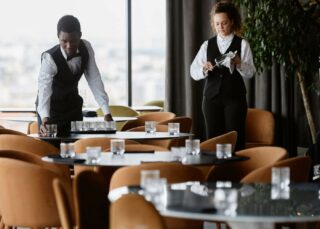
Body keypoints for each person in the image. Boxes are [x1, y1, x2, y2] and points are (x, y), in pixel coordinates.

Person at [190, 2, 256, 150]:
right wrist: (204, 69)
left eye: (224, 23)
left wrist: (239, 63)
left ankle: (238, 173)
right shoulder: (207, 45)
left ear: (232, 22)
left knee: (235, 142)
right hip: (211, 100)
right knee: (213, 143)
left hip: (235, 100)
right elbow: (193, 71)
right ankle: (216, 173)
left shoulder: (242, 44)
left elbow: (251, 72)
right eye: (217, 23)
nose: (220, 27)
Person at [37, 15, 113, 136]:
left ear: (80, 35)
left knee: (76, 148)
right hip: (52, 110)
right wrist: (45, 118)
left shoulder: (86, 48)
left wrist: (106, 112)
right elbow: (44, 90)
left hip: (73, 107)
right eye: (64, 41)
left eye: (73, 41)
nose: (69, 46)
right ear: (58, 37)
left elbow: (94, 79)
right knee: (51, 150)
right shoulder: (49, 58)